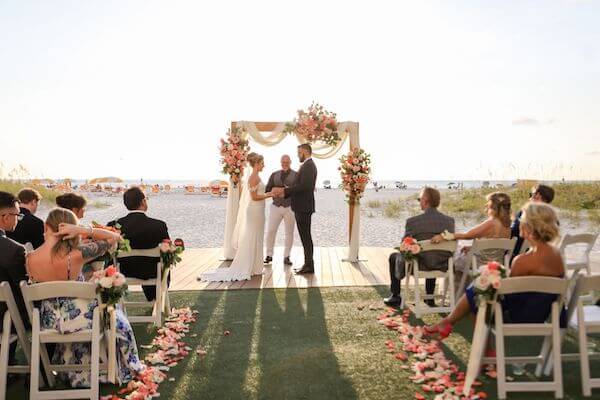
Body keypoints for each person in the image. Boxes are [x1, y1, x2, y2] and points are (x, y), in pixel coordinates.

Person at [26, 208, 145, 387]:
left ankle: (75, 370)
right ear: (72, 229)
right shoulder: (77, 255)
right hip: (81, 322)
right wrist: (84, 230)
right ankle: (121, 363)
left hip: (48, 322)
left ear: (46, 226)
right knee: (114, 310)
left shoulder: (29, 258)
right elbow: (115, 239)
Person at [426, 202, 565, 339]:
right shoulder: (558, 256)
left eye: (521, 219)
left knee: (478, 295)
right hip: (541, 314)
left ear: (529, 227)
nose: (518, 222)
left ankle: (471, 340)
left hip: (517, 317)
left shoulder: (523, 260)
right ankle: (450, 323)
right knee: (480, 287)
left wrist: (490, 279)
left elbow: (509, 294)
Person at [200, 152, 274, 281]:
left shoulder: (256, 177)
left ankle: (255, 267)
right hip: (254, 211)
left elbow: (258, 194)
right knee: (252, 236)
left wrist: (268, 193)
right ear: (256, 164)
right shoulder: (253, 178)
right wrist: (270, 194)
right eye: (262, 163)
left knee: (257, 237)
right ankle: (248, 266)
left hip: (258, 211)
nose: (264, 165)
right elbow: (254, 197)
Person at [383, 187, 455, 306]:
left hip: (419, 266)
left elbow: (404, 246)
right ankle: (429, 297)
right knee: (435, 253)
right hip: (443, 265)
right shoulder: (450, 221)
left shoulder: (413, 222)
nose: (419, 202)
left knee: (393, 256)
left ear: (425, 200)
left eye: (419, 199)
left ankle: (395, 295)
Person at [432, 192, 512, 285]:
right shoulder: (507, 226)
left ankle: (459, 293)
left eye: (488, 205)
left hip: (480, 264)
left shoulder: (491, 223)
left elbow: (467, 235)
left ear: (493, 207)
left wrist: (444, 236)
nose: (486, 207)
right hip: (497, 265)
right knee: (461, 255)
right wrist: (473, 248)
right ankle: (468, 289)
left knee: (454, 261)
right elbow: (494, 247)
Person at [108, 187, 170, 301]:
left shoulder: (113, 225)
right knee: (164, 261)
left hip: (123, 271)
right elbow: (168, 248)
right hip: (152, 272)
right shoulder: (158, 225)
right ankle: (155, 298)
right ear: (143, 201)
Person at [272, 144, 318, 275]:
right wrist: (286, 190)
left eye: (299, 152)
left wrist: (285, 191)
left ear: (305, 151)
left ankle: (309, 266)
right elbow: (300, 185)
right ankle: (308, 264)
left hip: (304, 207)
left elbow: (305, 186)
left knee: (306, 237)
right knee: (305, 237)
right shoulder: (307, 165)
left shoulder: (309, 166)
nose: (298, 155)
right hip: (302, 206)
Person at [0, 191, 30, 366]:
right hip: (5, 319)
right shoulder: (14, 250)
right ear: (4, 217)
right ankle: (42, 371)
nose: (18, 219)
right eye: (17, 215)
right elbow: (23, 287)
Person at [264, 154, 297, 266]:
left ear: (290, 162)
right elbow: (267, 189)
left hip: (290, 207)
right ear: (280, 162)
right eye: (283, 162)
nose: (285, 164)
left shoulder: (296, 175)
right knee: (271, 230)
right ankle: (269, 254)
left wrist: (283, 190)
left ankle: (287, 256)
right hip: (275, 206)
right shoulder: (274, 174)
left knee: (289, 233)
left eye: (287, 162)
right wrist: (274, 189)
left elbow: (298, 191)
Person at [511, 184, 555, 258]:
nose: (530, 198)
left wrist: (513, 220)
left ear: (538, 196)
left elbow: (514, 231)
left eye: (532, 194)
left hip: (518, 254)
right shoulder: (551, 216)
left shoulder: (526, 212)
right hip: (541, 255)